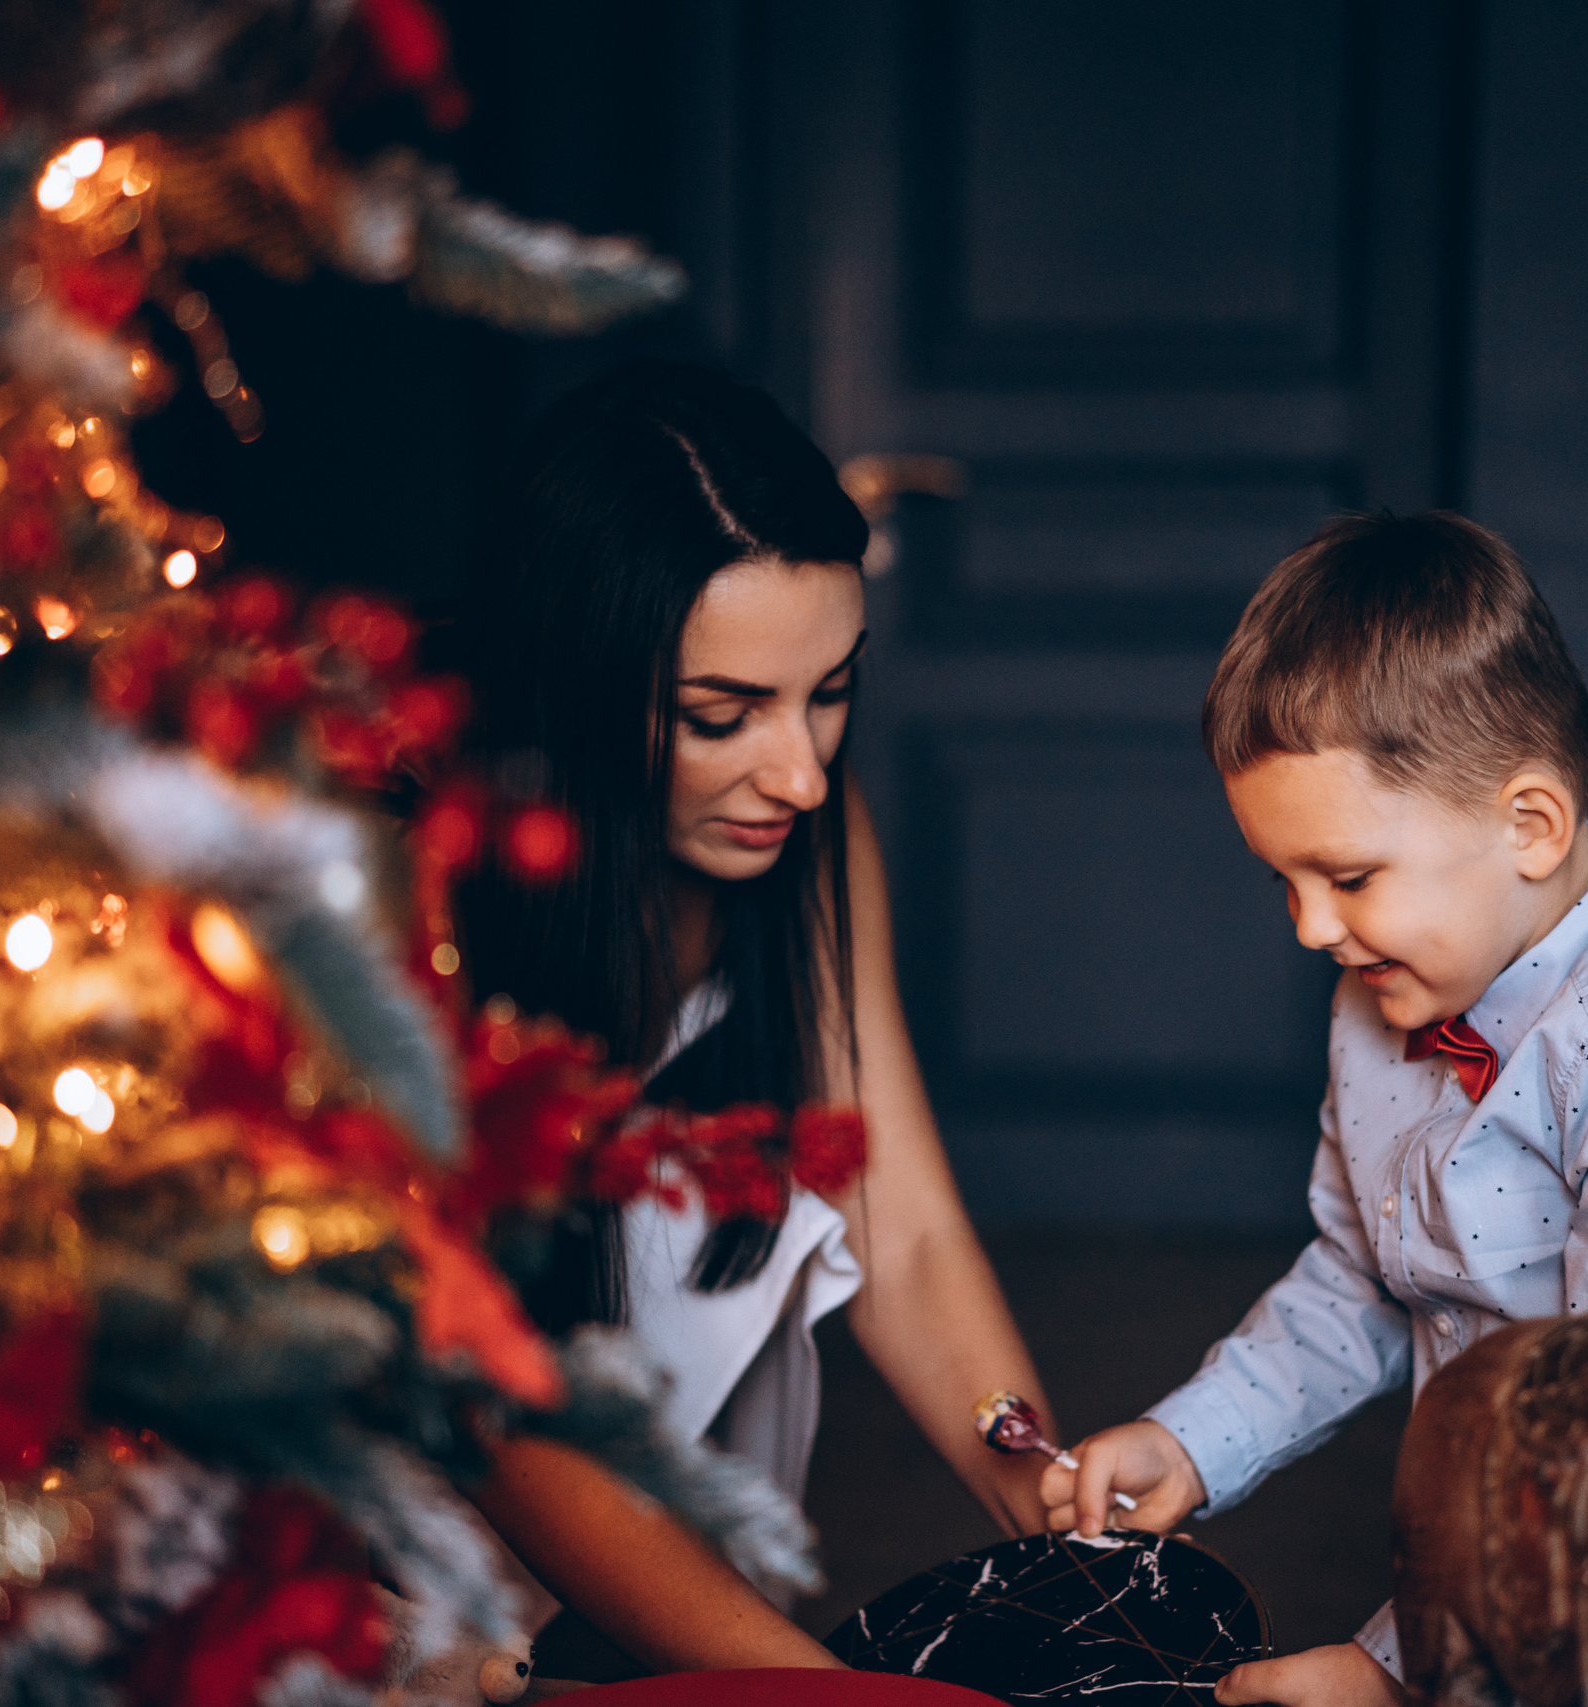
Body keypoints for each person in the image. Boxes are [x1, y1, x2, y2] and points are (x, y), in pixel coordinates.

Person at [1041, 512, 1588, 1707]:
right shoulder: (1382, 990)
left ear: (1528, 826)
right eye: (1284, 880)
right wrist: (1192, 1441)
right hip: (1475, 1607)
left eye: (1350, 878)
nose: (1311, 930)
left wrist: (1395, 1673)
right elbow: (1363, 1282)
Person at [450, 360, 1055, 1676]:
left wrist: (1051, 1499)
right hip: (408, 1584)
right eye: (724, 715)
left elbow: (904, 1231)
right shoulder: (411, 895)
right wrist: (811, 1689)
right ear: (576, 691)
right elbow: (480, 1401)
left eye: (831, 690)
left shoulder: (816, 849)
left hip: (674, 1585)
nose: (802, 771)